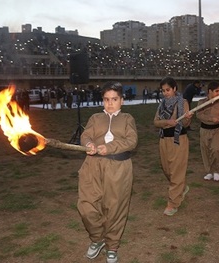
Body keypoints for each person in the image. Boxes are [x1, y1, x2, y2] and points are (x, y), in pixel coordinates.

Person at [77, 81, 138, 263]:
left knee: (115, 208)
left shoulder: (127, 119)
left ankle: (112, 245)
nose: (110, 103)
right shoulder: (95, 118)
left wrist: (110, 148)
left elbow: (131, 141)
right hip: (92, 166)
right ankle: (97, 238)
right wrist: (88, 144)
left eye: (114, 99)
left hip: (118, 168)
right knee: (86, 206)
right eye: (106, 99)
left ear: (122, 101)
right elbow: (86, 135)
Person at [154, 77, 192, 216]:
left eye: (168, 90)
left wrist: (187, 118)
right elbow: (155, 122)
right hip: (164, 140)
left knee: (176, 171)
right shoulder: (162, 103)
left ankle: (172, 204)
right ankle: (181, 187)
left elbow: (186, 125)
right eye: (163, 90)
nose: (165, 93)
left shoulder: (183, 102)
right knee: (167, 169)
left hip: (178, 139)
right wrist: (166, 122)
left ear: (175, 89)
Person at [196, 81, 219, 182]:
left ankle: (217, 171)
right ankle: (209, 172)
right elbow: (199, 115)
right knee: (206, 151)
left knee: (217, 149)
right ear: (210, 91)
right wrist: (211, 118)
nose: (218, 93)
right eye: (216, 91)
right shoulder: (202, 102)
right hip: (205, 130)